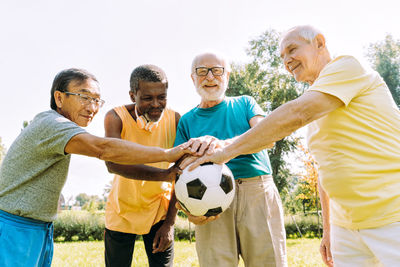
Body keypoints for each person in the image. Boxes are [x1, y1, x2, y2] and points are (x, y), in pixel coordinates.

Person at [186, 26, 400, 267]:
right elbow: (325, 171)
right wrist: (329, 229)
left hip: (391, 215)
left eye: (292, 49)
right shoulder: (320, 105)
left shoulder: (347, 67)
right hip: (347, 227)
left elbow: (296, 112)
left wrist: (225, 149)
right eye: (282, 56)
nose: (287, 60)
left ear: (320, 43)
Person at [0, 68, 190, 267]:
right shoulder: (52, 124)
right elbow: (104, 149)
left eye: (96, 100)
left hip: (38, 227)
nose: (92, 107)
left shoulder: (61, 128)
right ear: (59, 98)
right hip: (15, 227)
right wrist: (167, 154)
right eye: (84, 97)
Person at [174, 52, 287, 267]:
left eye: (217, 70)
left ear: (227, 76)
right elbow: (179, 170)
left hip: (257, 193)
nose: (210, 77)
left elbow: (268, 136)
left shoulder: (246, 104)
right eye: (202, 71)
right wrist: (188, 210)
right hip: (207, 204)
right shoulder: (186, 121)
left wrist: (222, 146)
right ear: (192, 78)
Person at [104, 65, 180, 267]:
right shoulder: (115, 118)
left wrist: (170, 223)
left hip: (159, 211)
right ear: (132, 95)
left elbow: (181, 174)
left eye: (161, 97)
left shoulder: (175, 119)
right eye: (147, 98)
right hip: (121, 210)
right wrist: (165, 175)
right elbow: (113, 164)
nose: (156, 104)